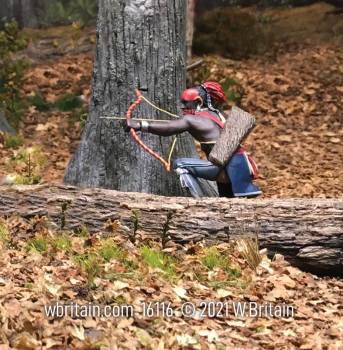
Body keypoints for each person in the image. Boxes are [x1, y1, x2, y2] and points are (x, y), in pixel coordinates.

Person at [126, 81, 262, 198]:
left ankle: (198, 203)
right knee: (228, 202)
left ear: (198, 101)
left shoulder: (192, 119)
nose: (182, 106)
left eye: (186, 103)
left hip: (222, 168)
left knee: (181, 165)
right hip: (240, 167)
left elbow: (169, 127)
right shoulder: (220, 115)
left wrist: (139, 125)